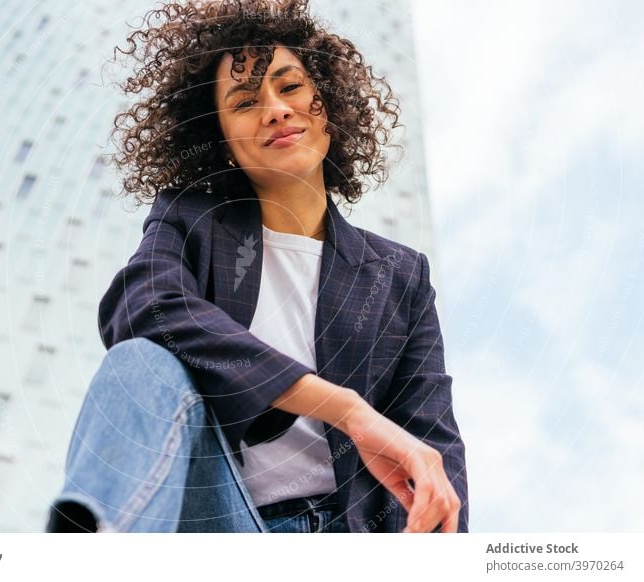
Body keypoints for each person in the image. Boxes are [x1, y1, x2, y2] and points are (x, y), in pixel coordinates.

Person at [46, 0, 468, 533]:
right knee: (139, 367)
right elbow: (145, 309)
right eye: (245, 102)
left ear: (327, 105)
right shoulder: (192, 220)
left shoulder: (400, 275)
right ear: (222, 142)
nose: (275, 108)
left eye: (290, 87)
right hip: (219, 520)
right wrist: (346, 409)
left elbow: (433, 444)